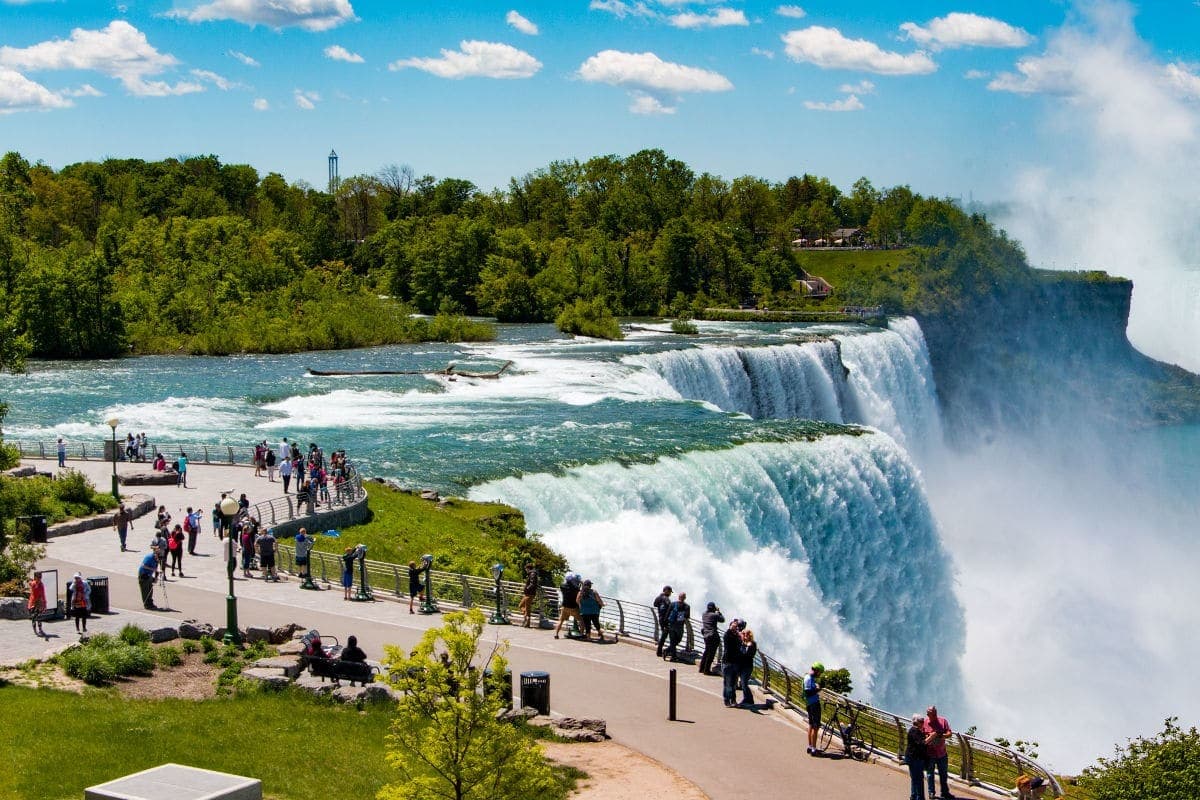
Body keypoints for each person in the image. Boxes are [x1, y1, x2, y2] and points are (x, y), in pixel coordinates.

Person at [923, 705, 955, 799]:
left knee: (943, 774)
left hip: (942, 753)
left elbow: (949, 733)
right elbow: (921, 736)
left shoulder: (943, 721)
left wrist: (942, 736)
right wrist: (929, 736)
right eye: (929, 713)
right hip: (930, 754)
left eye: (933, 713)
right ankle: (931, 792)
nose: (930, 715)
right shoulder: (925, 722)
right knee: (930, 774)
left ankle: (944, 792)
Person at [698, 601, 725, 675]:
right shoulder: (714, 615)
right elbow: (722, 620)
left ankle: (701, 668)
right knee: (711, 654)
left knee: (706, 652)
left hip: (706, 635)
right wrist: (719, 612)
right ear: (713, 608)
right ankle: (706, 670)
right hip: (713, 635)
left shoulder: (704, 614)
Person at [906, 713, 928, 800]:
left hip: (913, 757)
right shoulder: (914, 731)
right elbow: (922, 743)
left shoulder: (915, 731)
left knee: (915, 778)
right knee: (919, 779)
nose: (923, 723)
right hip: (915, 758)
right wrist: (932, 737)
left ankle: (914, 795)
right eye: (922, 721)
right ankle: (920, 798)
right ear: (917, 722)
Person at [553, 573, 582, 639]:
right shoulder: (576, 588)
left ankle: (556, 634)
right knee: (581, 621)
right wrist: (580, 583)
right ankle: (581, 634)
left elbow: (564, 585)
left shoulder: (562, 586)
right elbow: (579, 592)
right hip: (573, 607)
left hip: (565, 607)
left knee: (561, 621)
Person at [721, 619, 742, 707]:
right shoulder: (727, 635)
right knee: (728, 683)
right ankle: (727, 700)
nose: (735, 627)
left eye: (736, 626)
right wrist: (733, 630)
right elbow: (728, 637)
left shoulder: (737, 636)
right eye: (733, 626)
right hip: (728, 662)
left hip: (736, 662)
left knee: (734, 684)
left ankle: (733, 700)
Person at [664, 591, 690, 661]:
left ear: (678, 597)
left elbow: (667, 613)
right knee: (678, 639)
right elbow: (687, 616)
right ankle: (669, 652)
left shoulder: (672, 604)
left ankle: (672, 655)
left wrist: (665, 624)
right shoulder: (686, 606)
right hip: (679, 626)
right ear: (685, 598)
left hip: (671, 624)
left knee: (672, 641)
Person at [804, 662, 824, 754]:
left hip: (810, 703)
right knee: (815, 727)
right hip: (813, 704)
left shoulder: (809, 677)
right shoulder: (808, 679)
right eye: (820, 672)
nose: (820, 674)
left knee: (811, 725)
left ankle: (810, 746)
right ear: (816, 670)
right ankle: (814, 749)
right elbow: (809, 692)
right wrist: (819, 688)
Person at [737, 628, 757, 706]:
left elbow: (747, 654)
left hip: (747, 666)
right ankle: (748, 698)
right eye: (744, 634)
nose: (745, 636)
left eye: (746, 634)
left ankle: (748, 699)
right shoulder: (742, 643)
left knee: (744, 683)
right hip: (741, 666)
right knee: (743, 683)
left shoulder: (752, 644)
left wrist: (747, 646)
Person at [653, 585, 673, 657]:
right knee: (666, 636)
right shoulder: (666, 598)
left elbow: (655, 604)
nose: (670, 594)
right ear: (666, 591)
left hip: (661, 618)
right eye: (670, 592)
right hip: (666, 619)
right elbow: (670, 606)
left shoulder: (659, 597)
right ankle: (660, 651)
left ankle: (661, 651)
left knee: (664, 635)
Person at [27, 572, 46, 636]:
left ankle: (40, 629)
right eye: (38, 577)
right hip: (33, 602)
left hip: (39, 602)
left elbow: (43, 595)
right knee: (34, 617)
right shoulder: (33, 584)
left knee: (39, 617)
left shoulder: (41, 585)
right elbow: (33, 593)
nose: (40, 579)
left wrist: (44, 604)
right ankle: (35, 631)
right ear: (35, 578)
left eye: (40, 577)